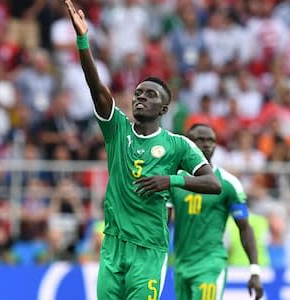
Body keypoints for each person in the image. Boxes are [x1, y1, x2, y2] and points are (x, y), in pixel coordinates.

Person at [64, 1, 222, 299]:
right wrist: (83, 39)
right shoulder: (117, 129)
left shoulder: (178, 145)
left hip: (148, 252)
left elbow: (212, 183)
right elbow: (96, 87)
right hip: (113, 246)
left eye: (150, 95)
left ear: (163, 108)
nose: (140, 98)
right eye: (138, 94)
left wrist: (170, 180)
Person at [169, 124, 263, 300]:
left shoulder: (228, 183)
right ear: (188, 143)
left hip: (210, 264)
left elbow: (244, 227)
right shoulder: (175, 180)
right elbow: (163, 221)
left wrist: (255, 270)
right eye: (201, 140)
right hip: (181, 265)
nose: (207, 144)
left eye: (211, 140)